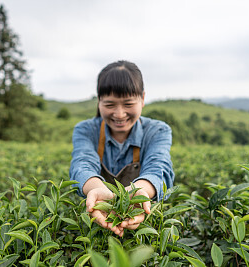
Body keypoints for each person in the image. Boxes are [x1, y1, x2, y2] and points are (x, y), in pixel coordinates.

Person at [69, 60, 174, 237]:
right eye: (110, 105)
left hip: (142, 224)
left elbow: (160, 168)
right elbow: (82, 164)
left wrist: (138, 194)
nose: (119, 114)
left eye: (128, 104)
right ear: (99, 102)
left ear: (143, 99)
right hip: (96, 222)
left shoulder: (157, 131)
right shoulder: (86, 130)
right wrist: (97, 190)